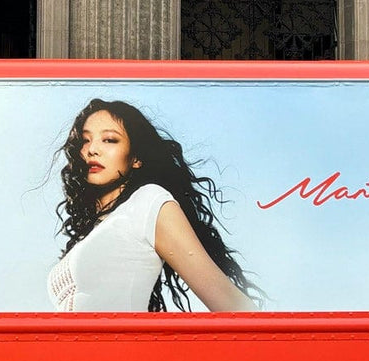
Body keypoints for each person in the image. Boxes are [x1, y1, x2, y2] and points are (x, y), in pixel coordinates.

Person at [48, 99, 257, 313]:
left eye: (109, 140)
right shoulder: (96, 229)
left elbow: (233, 305)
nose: (92, 149)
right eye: (85, 140)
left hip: (115, 346)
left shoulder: (149, 201)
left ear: (136, 158)